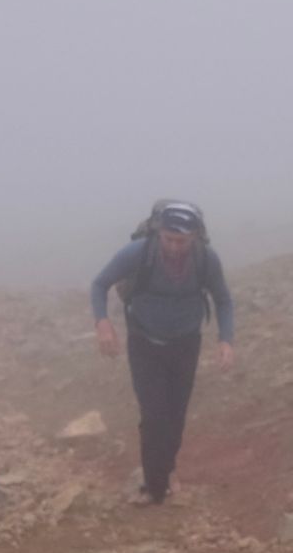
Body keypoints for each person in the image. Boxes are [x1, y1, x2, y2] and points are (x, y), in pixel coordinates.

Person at [90, 199, 236, 505]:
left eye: (180, 240)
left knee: (175, 415)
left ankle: (167, 469)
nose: (173, 246)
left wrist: (226, 340)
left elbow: (223, 299)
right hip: (144, 341)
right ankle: (155, 487)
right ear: (158, 232)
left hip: (186, 343)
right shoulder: (139, 253)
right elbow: (100, 284)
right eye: (168, 239)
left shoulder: (206, 260)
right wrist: (102, 323)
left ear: (194, 236)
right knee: (154, 414)